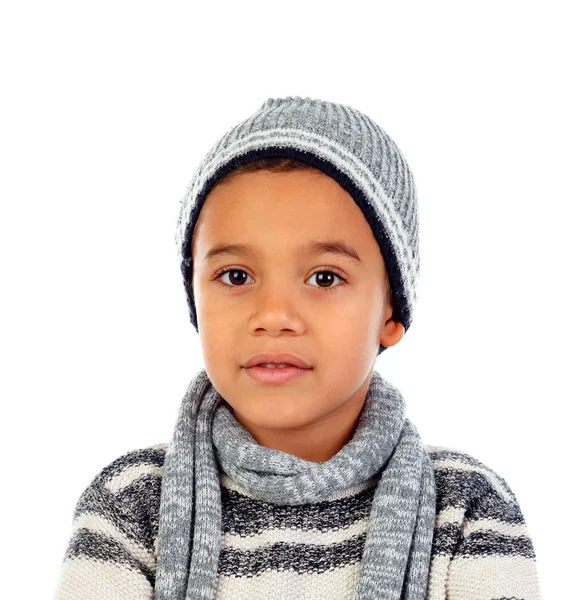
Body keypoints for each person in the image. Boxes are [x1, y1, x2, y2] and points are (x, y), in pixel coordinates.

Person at [54, 96, 542, 600]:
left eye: (324, 277)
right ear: (196, 302)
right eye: (236, 276)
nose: (273, 316)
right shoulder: (128, 507)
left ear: (391, 312)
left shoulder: (468, 512)